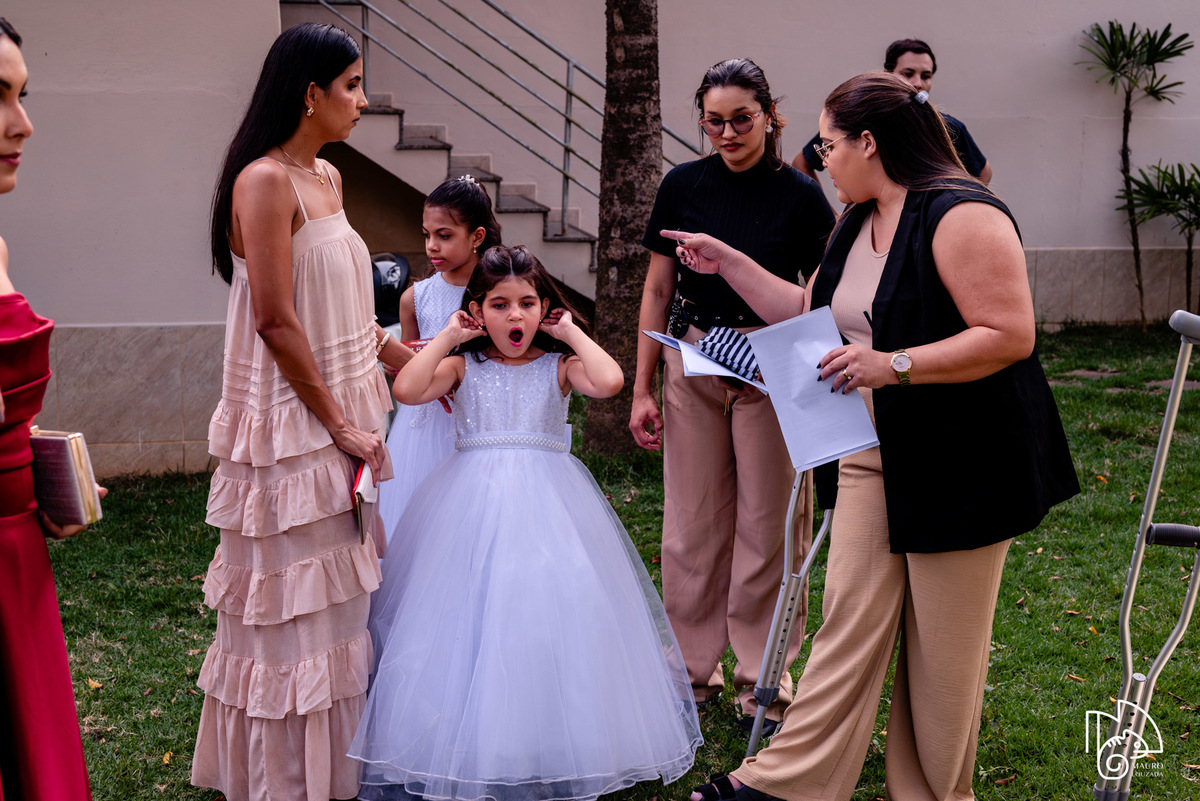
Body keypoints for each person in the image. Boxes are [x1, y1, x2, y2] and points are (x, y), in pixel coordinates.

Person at [672, 71, 1079, 801]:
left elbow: (1010, 335)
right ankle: (785, 785)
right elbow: (815, 308)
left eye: (827, 144)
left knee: (943, 656)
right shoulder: (858, 218)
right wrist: (727, 261)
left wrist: (891, 365)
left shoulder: (964, 214)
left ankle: (930, 794)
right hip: (869, 454)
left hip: (964, 461)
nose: (820, 158)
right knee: (846, 624)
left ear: (870, 141)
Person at [350, 245, 702, 801]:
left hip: (549, 507)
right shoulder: (464, 366)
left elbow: (610, 381)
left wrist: (571, 335)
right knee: (471, 615)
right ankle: (472, 738)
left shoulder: (558, 367)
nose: (514, 316)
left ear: (545, 309)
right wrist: (448, 336)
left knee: (546, 613)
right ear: (476, 311)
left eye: (527, 303)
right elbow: (407, 389)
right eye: (498, 304)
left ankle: (546, 738)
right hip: (468, 505)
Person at [191, 22, 413, 801]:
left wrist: (409, 364)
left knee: (340, 600)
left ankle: (335, 773)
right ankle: (281, 781)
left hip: (348, 412)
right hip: (295, 425)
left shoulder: (330, 176)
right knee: (289, 607)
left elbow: (349, 318)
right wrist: (340, 426)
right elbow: (277, 319)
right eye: (351, 85)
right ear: (309, 92)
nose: (361, 99)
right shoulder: (263, 181)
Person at [631, 57, 836, 734]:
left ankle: (763, 679)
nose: (727, 132)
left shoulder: (803, 196)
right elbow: (657, 291)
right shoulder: (682, 185)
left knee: (767, 524)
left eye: (741, 119)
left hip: (773, 369)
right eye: (713, 121)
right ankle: (690, 673)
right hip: (691, 362)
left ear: (770, 117)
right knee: (691, 524)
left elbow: (827, 295)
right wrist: (641, 386)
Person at [0, 18, 103, 800]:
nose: (23, 122)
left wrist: (42, 469)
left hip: (18, 559)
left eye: (23, 94)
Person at [377, 174, 501, 545]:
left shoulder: (501, 293)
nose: (432, 246)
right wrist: (397, 361)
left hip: (484, 419)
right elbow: (413, 366)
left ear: (476, 236)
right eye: (426, 234)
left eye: (444, 235)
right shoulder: (415, 298)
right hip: (426, 426)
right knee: (426, 530)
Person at [794, 38, 993, 186]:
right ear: (887, 75)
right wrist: (831, 218)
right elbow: (802, 163)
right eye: (908, 74)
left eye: (926, 76)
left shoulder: (947, 127)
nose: (918, 83)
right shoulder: (861, 118)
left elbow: (983, 173)